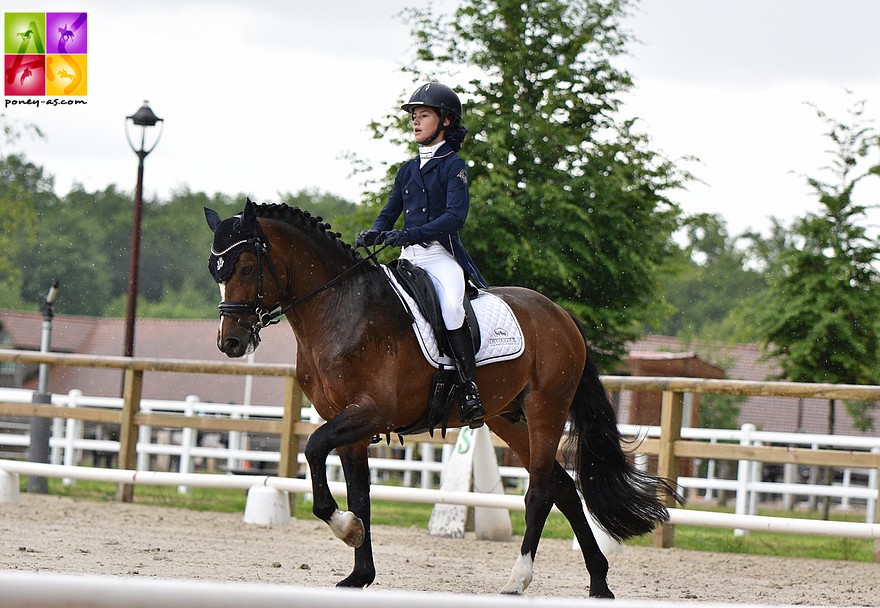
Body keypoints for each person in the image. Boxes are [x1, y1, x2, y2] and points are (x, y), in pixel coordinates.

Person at [356, 82, 487, 428]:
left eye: (423, 115)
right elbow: (390, 210)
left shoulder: (453, 165)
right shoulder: (407, 170)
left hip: (440, 256)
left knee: (451, 307)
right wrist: (375, 230)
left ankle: (469, 389)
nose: (415, 122)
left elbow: (454, 217)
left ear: (444, 121)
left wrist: (410, 233)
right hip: (407, 257)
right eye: (414, 116)